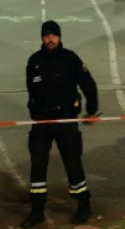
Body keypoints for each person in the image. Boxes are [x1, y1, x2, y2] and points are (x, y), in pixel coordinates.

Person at [20, 20, 98, 228]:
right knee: (37, 166)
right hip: (42, 122)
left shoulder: (70, 59)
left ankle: (84, 206)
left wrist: (92, 110)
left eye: (54, 35)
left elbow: (88, 84)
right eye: (46, 36)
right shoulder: (34, 61)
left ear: (60, 37)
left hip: (65, 120)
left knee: (73, 164)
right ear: (42, 38)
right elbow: (31, 90)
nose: (50, 39)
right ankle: (37, 211)